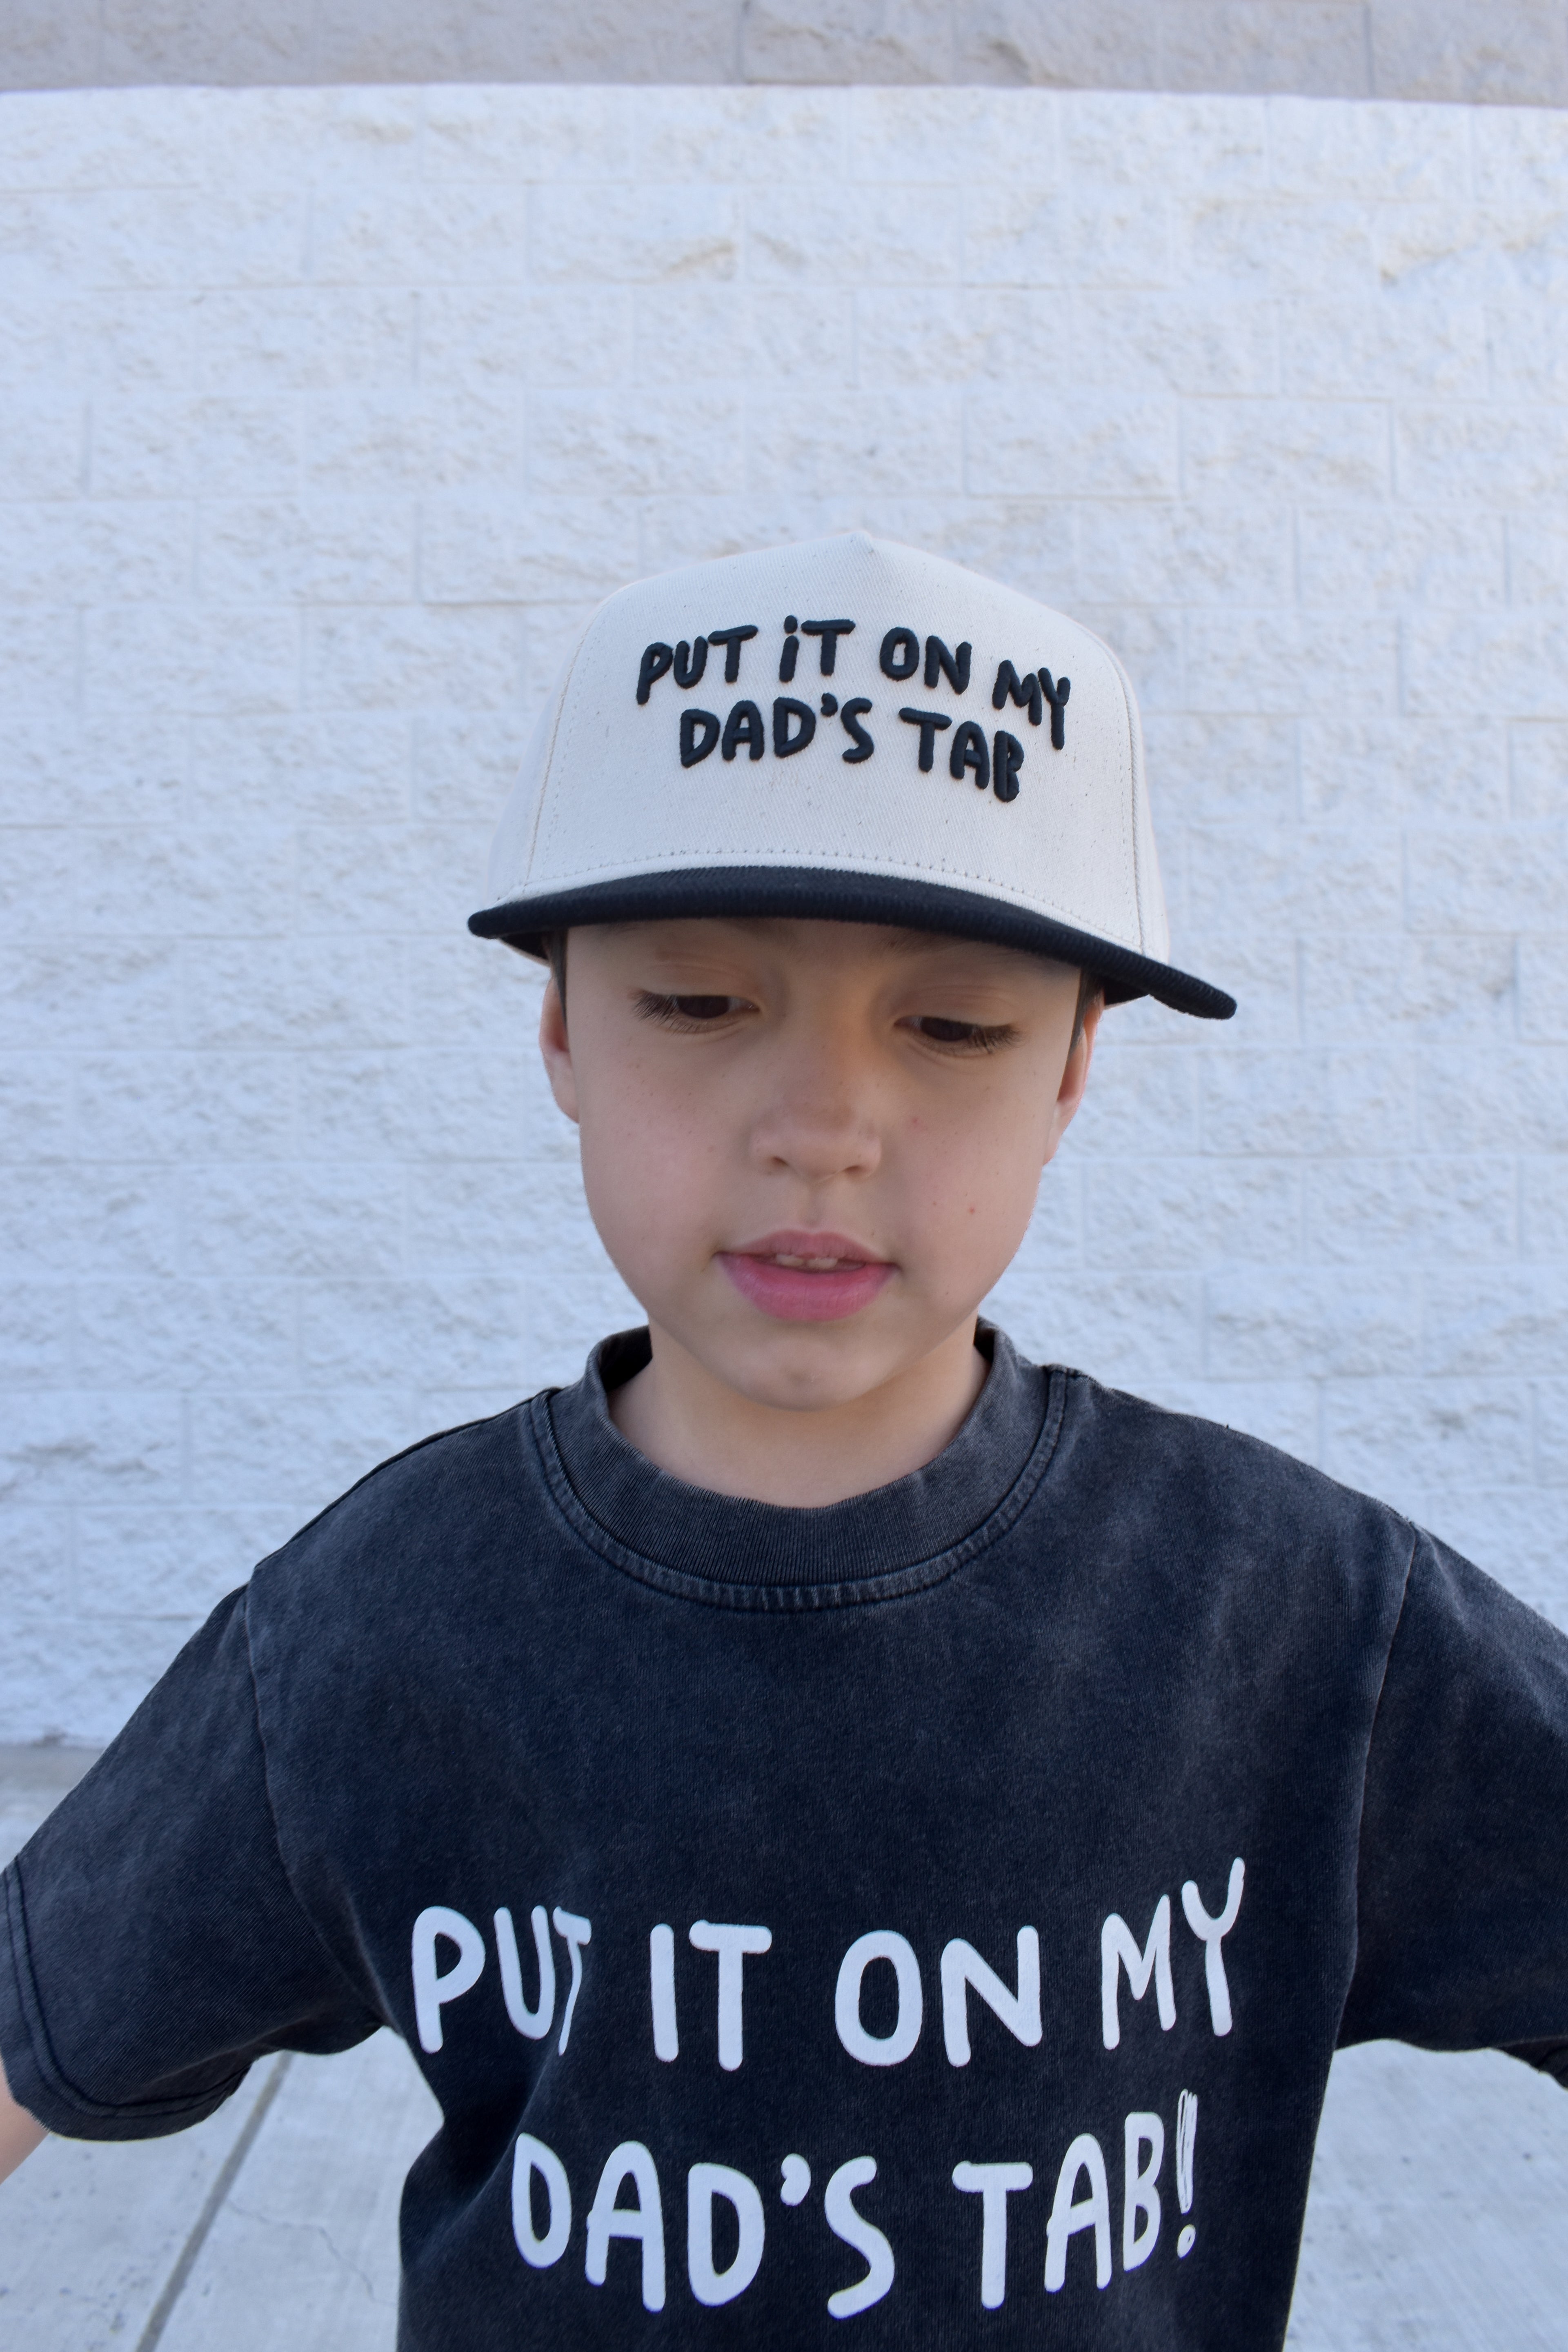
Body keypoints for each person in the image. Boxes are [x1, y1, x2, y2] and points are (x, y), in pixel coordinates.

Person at [1, 532, 1564, 2349]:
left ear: (1070, 1068)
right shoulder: (381, 1616)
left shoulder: (1294, 1620)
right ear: (559, 1028)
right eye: (697, 1001)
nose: (823, 1123)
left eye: (955, 1022)